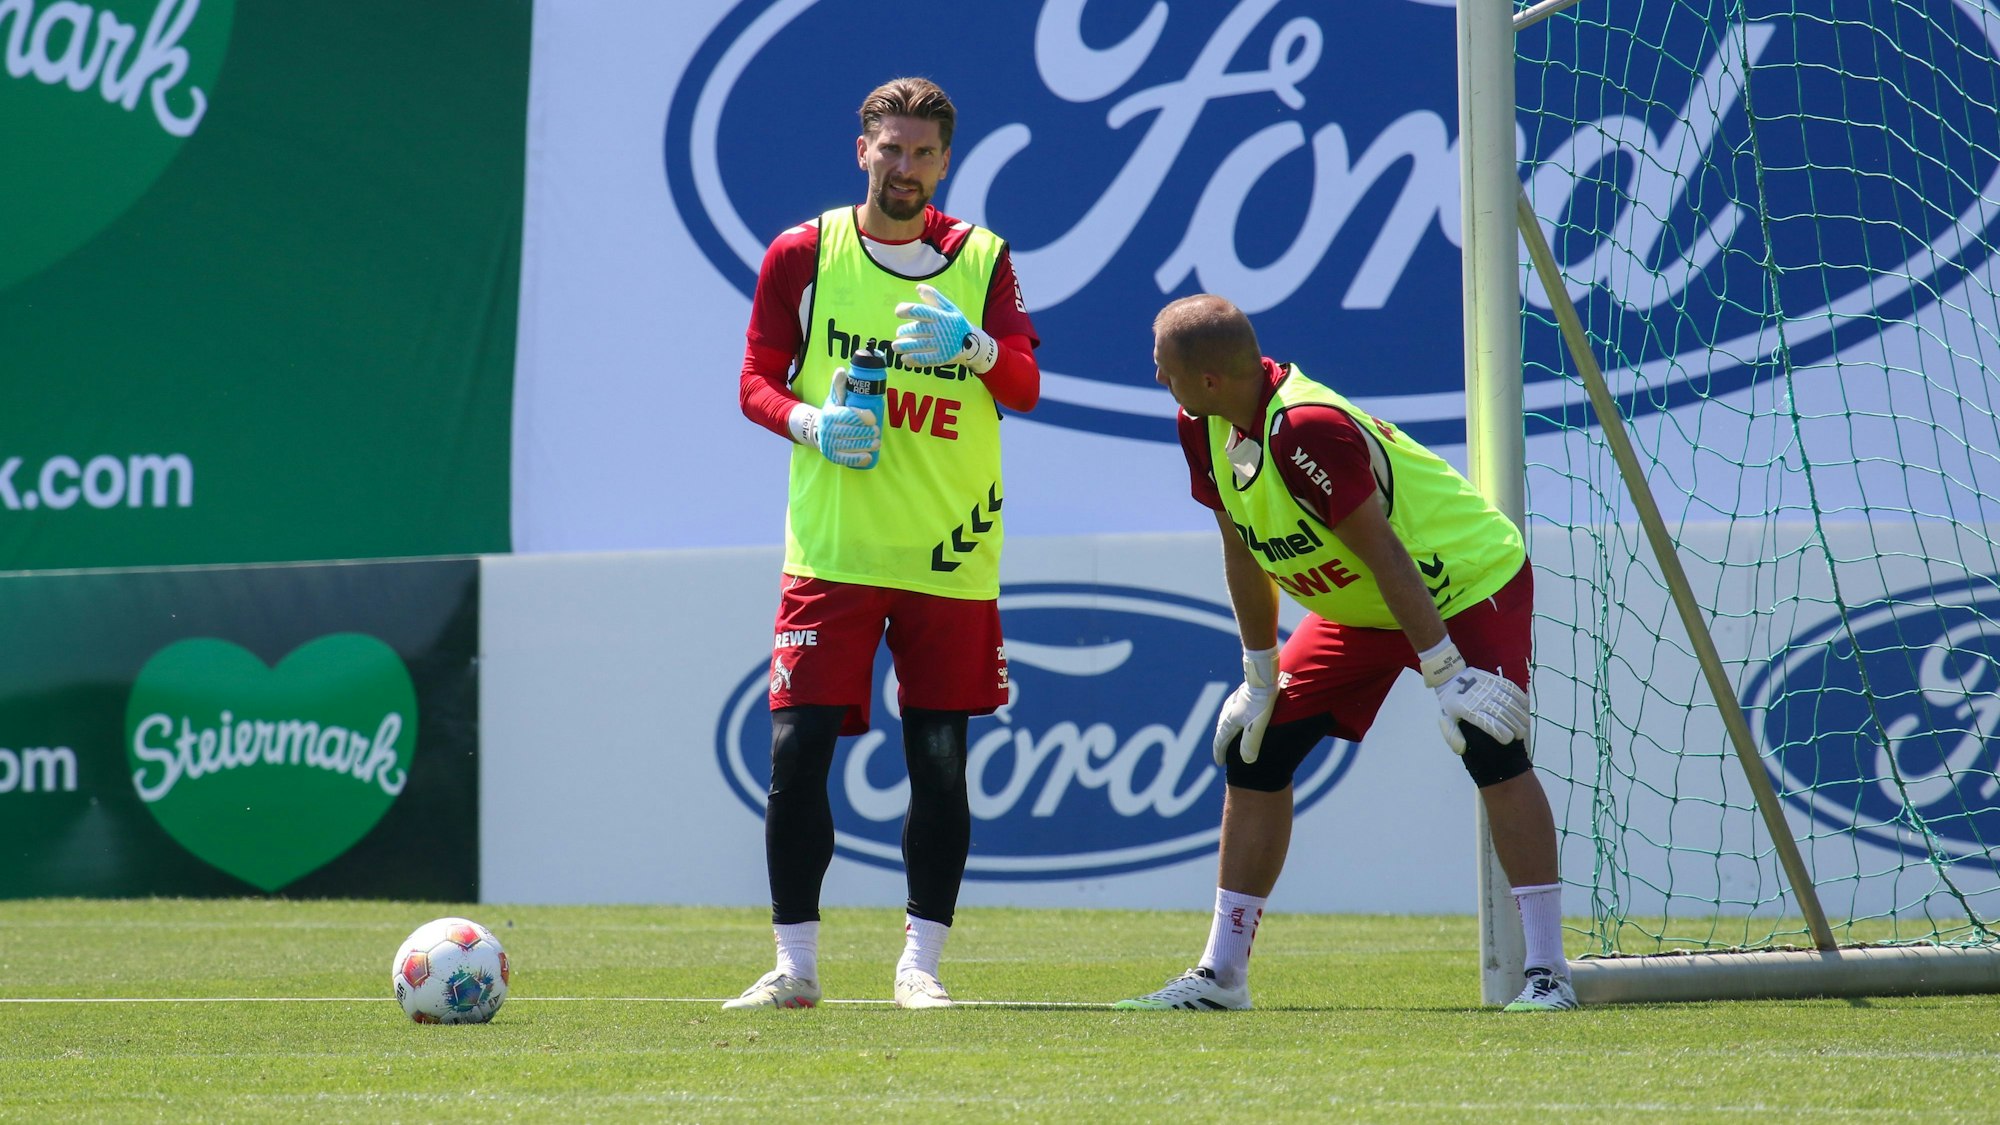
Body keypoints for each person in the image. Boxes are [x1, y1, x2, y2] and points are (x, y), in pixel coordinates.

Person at [1114, 294, 1576, 1013]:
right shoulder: (1200, 422)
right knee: (1255, 750)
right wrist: (1259, 673)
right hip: (1362, 603)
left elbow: (1385, 551)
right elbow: (1241, 543)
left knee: (1493, 743)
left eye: (1164, 368)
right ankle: (1221, 976)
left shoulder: (1304, 429)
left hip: (1461, 585)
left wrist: (1445, 670)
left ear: (1208, 380)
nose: (1157, 379)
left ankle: (1549, 973)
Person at [724, 77, 1040, 1011]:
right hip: (831, 552)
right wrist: (812, 423)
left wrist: (975, 349)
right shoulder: (803, 252)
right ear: (860, 148)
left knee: (940, 760)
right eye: (890, 149)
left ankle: (921, 966)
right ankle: (795, 965)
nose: (906, 169)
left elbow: (1023, 385)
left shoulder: (981, 259)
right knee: (797, 752)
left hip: (948, 555)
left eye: (924, 154)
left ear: (947, 160)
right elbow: (753, 379)